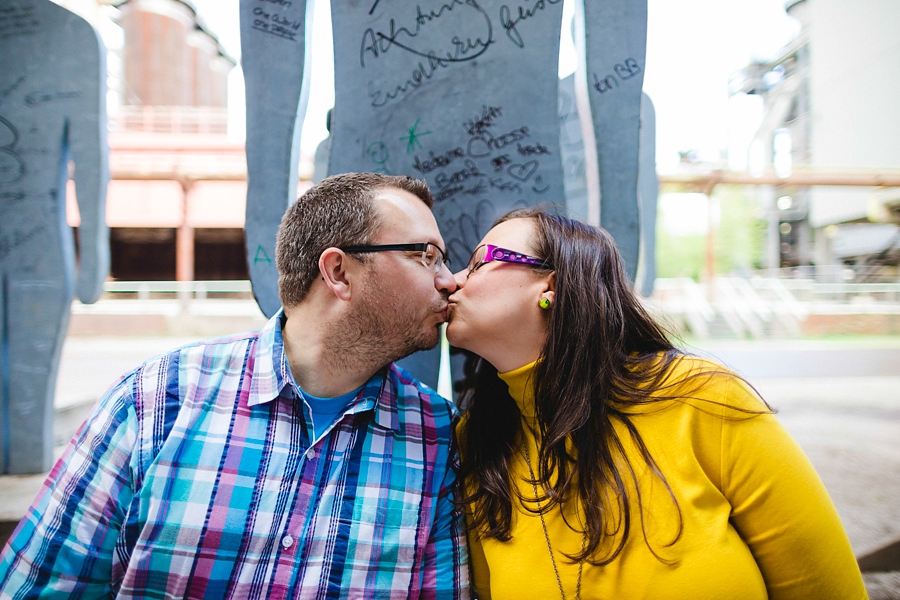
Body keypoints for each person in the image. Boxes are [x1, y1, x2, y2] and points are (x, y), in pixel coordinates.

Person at [0, 173, 470, 599]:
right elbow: (37, 587)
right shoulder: (157, 400)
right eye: (424, 255)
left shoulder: (437, 437)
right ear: (339, 272)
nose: (449, 281)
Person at [447, 207, 867, 599]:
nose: (452, 280)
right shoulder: (476, 443)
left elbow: (828, 586)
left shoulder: (701, 398)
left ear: (550, 286)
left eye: (479, 261)